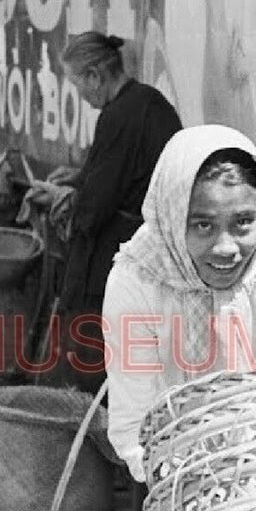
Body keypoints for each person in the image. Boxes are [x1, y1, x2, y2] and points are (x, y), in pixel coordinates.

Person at [101, 125, 256, 511]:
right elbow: (135, 423)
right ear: (172, 220)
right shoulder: (138, 280)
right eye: (203, 226)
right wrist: (189, 492)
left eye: (242, 222)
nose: (226, 248)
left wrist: (251, 490)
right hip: (167, 485)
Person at [54, 32, 182, 390]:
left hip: (114, 261)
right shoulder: (152, 103)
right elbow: (128, 173)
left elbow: (94, 209)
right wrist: (81, 177)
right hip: (155, 259)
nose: (81, 94)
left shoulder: (118, 116)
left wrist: (63, 199)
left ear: (95, 76)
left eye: (79, 84)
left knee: (97, 369)